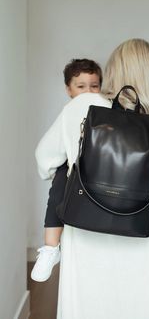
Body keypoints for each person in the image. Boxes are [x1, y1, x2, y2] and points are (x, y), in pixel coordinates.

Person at [35, 39, 149, 319]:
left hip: (88, 234)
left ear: (114, 69)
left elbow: (44, 158)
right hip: (142, 235)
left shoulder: (85, 105)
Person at [31, 58, 102, 282]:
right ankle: (51, 248)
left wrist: (49, 170)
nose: (88, 92)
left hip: (95, 171)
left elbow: (46, 153)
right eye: (81, 87)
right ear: (68, 90)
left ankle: (51, 246)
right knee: (63, 173)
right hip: (85, 174)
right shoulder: (69, 111)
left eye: (94, 86)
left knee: (61, 172)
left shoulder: (106, 107)